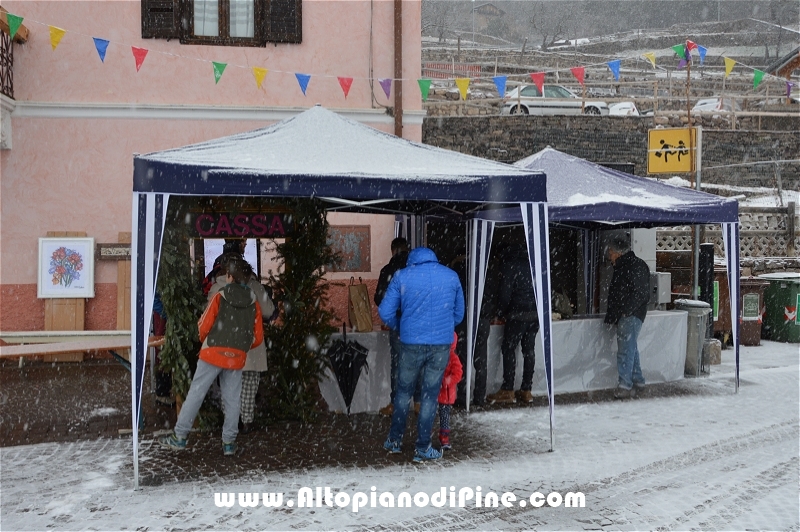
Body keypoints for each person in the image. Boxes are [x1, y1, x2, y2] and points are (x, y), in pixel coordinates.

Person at [159, 256, 263, 456]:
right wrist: (241, 345)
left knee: (196, 393)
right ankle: (229, 443)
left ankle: (180, 437)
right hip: (237, 356)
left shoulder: (220, 296)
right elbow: (257, 337)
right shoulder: (254, 303)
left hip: (212, 352)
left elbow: (203, 326)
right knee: (233, 399)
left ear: (230, 277)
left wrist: (207, 338)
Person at [378, 247, 464, 463]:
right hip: (440, 347)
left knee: (403, 392)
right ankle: (423, 446)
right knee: (429, 395)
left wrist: (400, 327)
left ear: (411, 261)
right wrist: (442, 328)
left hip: (410, 344)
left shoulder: (402, 276)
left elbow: (385, 311)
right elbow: (459, 314)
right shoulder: (451, 276)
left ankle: (395, 440)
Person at [208, 258, 275, 434]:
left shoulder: (217, 289)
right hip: (250, 346)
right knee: (249, 386)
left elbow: (209, 315)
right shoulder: (255, 287)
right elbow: (268, 310)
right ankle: (246, 421)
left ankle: (231, 421)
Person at [487, 244, 538, 405]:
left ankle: (508, 389)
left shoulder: (509, 264)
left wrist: (500, 312)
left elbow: (505, 292)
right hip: (534, 313)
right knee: (529, 350)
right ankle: (526, 390)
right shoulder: (533, 262)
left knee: (508, 348)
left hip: (517, 313)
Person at [604, 235, 651, 399]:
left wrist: (625, 311)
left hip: (630, 315)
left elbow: (640, 293)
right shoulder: (633, 265)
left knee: (625, 350)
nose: (609, 255)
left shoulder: (629, 266)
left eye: (610, 252)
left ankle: (625, 385)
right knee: (631, 347)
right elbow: (640, 292)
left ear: (618, 252)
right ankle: (638, 380)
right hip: (631, 313)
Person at [374, 237, 409, 416]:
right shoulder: (415, 269)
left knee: (397, 364)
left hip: (397, 322)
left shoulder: (389, 270)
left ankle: (397, 404)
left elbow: (379, 298)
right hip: (416, 323)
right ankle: (418, 402)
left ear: (393, 249)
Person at [437, 332, 463, 450]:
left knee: (445, 417)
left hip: (446, 395)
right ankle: (433, 436)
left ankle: (444, 437)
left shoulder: (452, 357)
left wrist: (449, 380)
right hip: (438, 393)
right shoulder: (438, 355)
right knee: (436, 415)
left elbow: (458, 373)